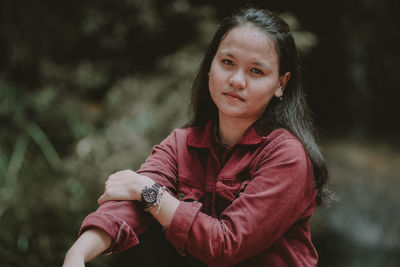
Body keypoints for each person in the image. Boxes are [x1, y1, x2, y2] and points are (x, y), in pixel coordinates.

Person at [63, 7, 334, 267]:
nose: (237, 80)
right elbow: (129, 207)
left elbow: (226, 245)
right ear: (210, 67)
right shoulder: (182, 143)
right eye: (228, 63)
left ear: (280, 84)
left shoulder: (287, 156)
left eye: (256, 71)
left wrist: (146, 190)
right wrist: (78, 253)